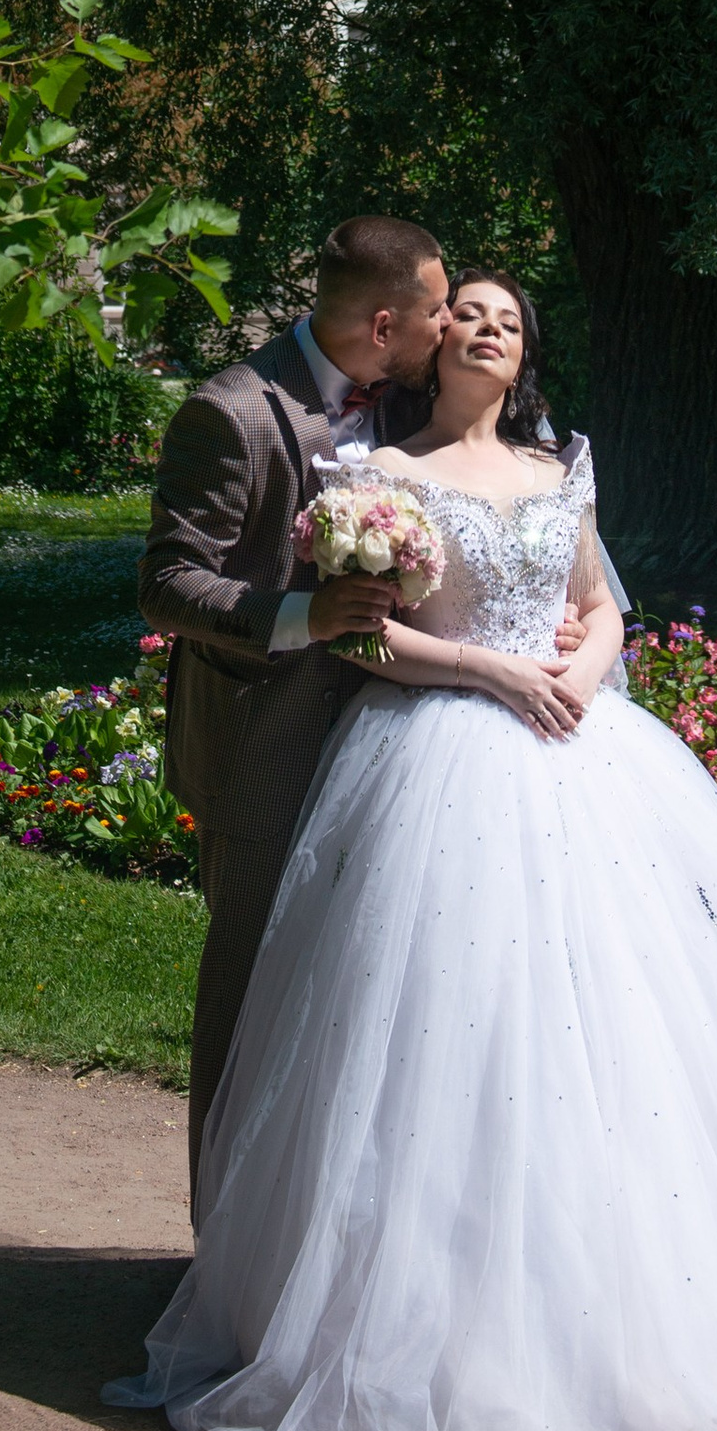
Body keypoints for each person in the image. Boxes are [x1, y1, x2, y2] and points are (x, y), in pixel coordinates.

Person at [128, 267, 717, 1431]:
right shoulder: (381, 479)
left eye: (508, 320)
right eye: (468, 315)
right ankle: (412, 1308)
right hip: (436, 759)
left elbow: (601, 606)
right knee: (449, 1036)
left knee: (619, 1032)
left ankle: (629, 1303)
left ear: (523, 355)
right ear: (432, 347)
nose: (486, 330)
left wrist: (582, 677)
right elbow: (367, 635)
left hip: (584, 755)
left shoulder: (563, 469)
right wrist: (494, 676)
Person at [134, 215, 452, 1193]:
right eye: (437, 310)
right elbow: (168, 586)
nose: (448, 328)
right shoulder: (229, 413)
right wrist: (300, 617)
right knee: (250, 990)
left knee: (356, 1001)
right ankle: (217, 1251)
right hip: (260, 745)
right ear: (386, 322)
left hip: (383, 746)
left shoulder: (407, 406)